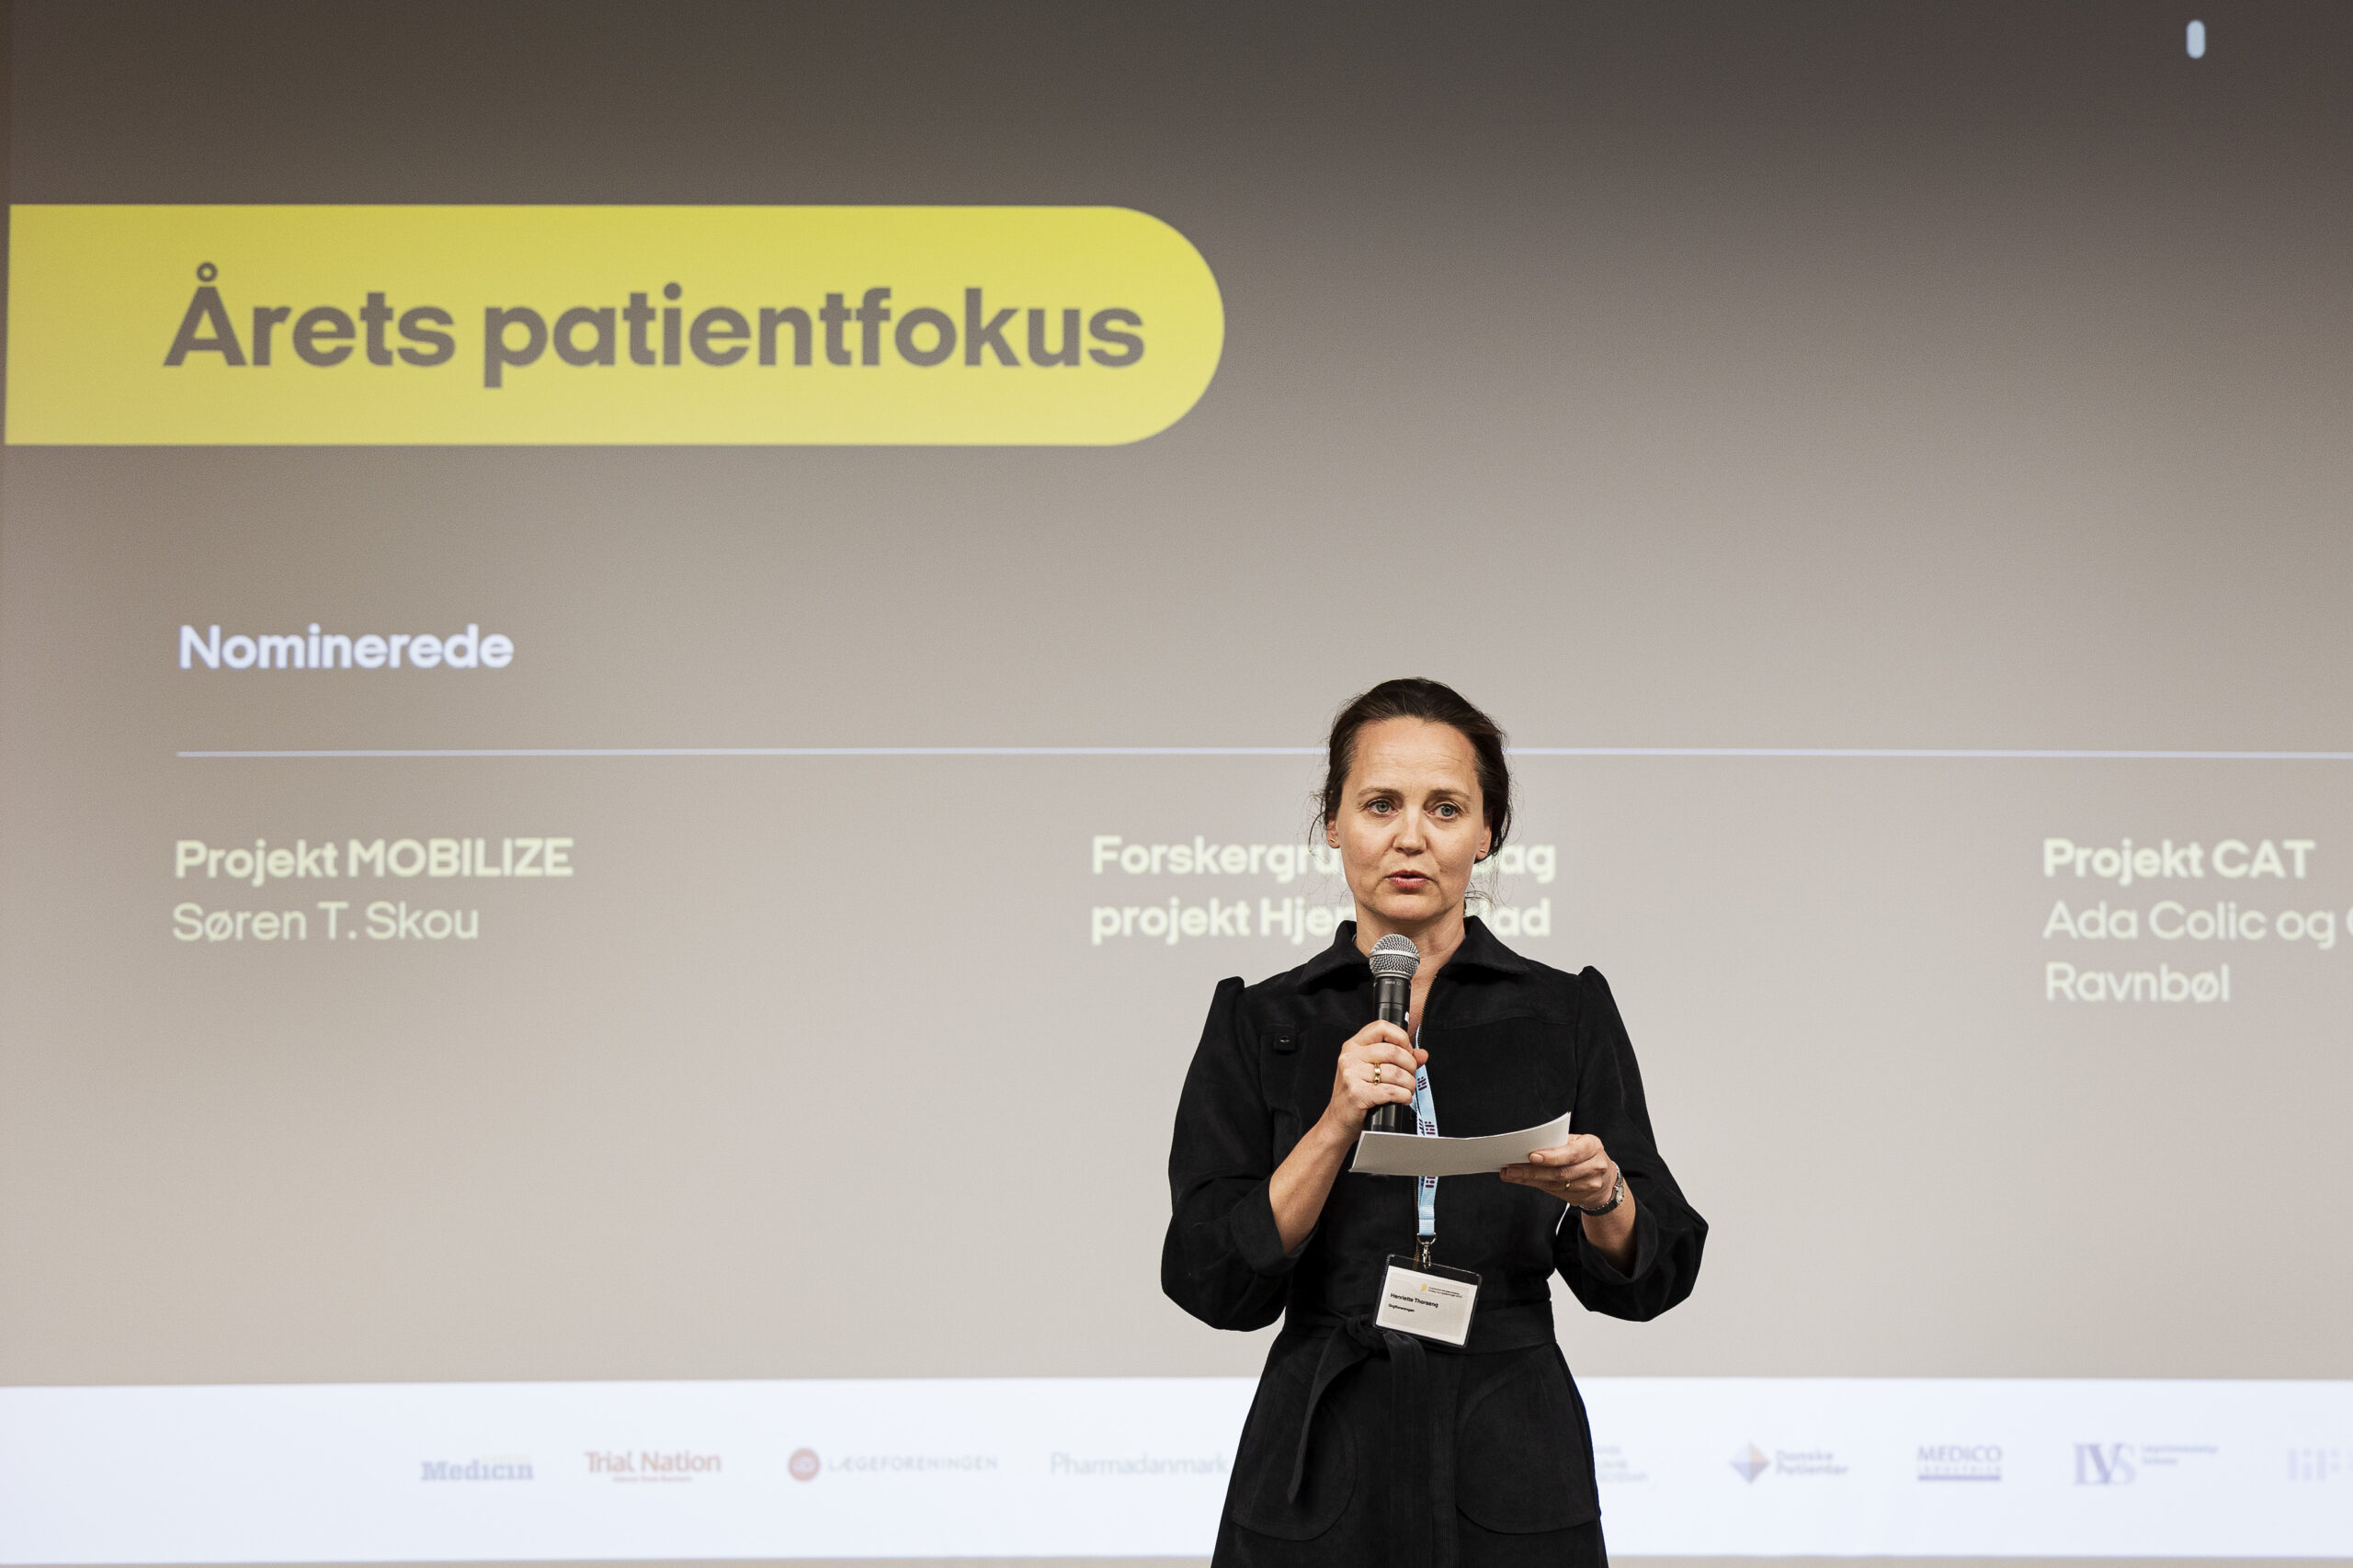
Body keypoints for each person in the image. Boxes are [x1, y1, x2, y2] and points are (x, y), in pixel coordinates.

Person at [1163, 678, 1706, 1568]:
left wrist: (1606, 1198)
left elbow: (1654, 1274)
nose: (1410, 836)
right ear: (1333, 822)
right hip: (1320, 1453)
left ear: (1487, 830)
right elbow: (1210, 1279)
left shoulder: (1565, 1013)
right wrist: (1334, 1122)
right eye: (1380, 803)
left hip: (1509, 1443)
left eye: (1445, 807)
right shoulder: (1258, 1020)